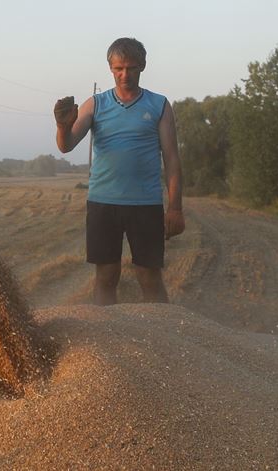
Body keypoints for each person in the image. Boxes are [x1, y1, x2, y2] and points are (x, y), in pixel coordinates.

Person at [54, 37, 184, 305]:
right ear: (110, 68)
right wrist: (63, 126)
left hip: (146, 203)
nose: (125, 75)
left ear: (142, 66)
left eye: (131, 68)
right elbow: (66, 146)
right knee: (106, 276)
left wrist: (175, 208)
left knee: (149, 277)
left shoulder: (159, 105)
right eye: (119, 69)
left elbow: (172, 159)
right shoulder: (95, 104)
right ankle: (107, 331)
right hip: (103, 202)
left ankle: (161, 330)